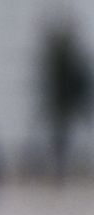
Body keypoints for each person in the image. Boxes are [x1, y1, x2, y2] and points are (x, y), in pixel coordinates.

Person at [39, 18, 92, 180]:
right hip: (63, 103)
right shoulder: (65, 56)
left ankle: (62, 169)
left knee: (62, 138)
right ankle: (61, 169)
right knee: (61, 138)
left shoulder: (61, 56)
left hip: (63, 103)